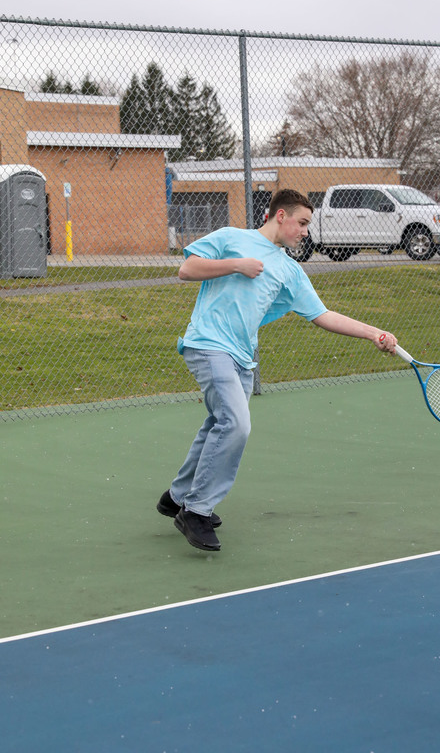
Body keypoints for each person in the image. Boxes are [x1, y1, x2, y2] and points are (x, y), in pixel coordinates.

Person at [157, 189, 397, 552]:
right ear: (279, 216)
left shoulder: (289, 270)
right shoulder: (231, 238)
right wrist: (237, 264)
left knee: (219, 423)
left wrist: (373, 333)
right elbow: (186, 269)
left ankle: (176, 497)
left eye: (307, 225)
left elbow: (323, 314)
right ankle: (196, 511)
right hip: (207, 344)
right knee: (236, 423)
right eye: (301, 223)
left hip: (241, 357)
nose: (305, 231)